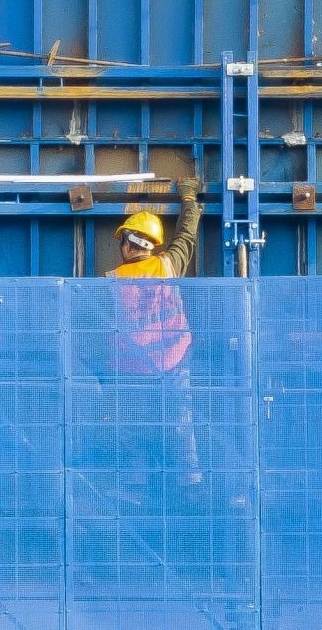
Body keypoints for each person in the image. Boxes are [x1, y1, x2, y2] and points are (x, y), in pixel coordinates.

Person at [108, 177, 204, 484]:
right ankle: (189, 483)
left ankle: (134, 486)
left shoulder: (111, 280)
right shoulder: (168, 265)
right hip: (174, 361)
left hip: (131, 369)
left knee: (134, 429)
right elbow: (186, 236)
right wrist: (188, 198)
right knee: (180, 425)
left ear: (129, 243)